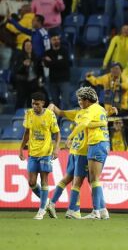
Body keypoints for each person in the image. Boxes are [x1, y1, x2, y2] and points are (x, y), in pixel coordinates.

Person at [46, 102, 107, 219]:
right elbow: (99, 119)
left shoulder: (77, 113)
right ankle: (73, 209)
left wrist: (52, 107)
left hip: (73, 151)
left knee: (67, 179)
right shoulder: (92, 114)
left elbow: (60, 112)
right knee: (87, 181)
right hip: (83, 152)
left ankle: (53, 203)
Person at [67, 87, 110, 220]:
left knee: (94, 179)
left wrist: (70, 137)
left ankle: (96, 212)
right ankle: (102, 211)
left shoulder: (90, 110)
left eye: (81, 100)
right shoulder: (100, 108)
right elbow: (95, 123)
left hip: (96, 144)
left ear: (87, 100)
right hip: (103, 143)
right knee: (94, 178)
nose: (80, 103)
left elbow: (84, 123)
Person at [19, 92, 61, 220]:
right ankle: (47, 203)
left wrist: (56, 147)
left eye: (37, 104)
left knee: (44, 181)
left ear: (43, 103)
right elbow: (27, 132)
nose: (34, 106)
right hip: (33, 152)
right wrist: (21, 148)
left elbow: (57, 133)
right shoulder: (29, 114)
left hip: (45, 153)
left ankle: (41, 210)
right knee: (31, 182)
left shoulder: (49, 115)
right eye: (32, 103)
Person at [12, 40, 44, 109]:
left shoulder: (36, 57)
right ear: (24, 47)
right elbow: (16, 70)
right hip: (22, 83)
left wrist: (40, 79)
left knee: (32, 102)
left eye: (30, 45)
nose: (28, 47)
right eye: (27, 45)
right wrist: (23, 65)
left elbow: (40, 70)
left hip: (33, 83)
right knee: (20, 101)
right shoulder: (19, 56)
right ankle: (17, 117)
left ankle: (31, 118)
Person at [43, 33, 71, 109]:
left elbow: (65, 64)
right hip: (53, 80)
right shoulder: (48, 52)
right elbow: (46, 64)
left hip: (64, 79)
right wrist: (58, 62)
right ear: (51, 41)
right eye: (54, 39)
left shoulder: (65, 51)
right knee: (55, 102)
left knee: (65, 102)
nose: (56, 41)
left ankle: (65, 119)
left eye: (58, 39)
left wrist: (52, 62)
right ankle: (56, 120)